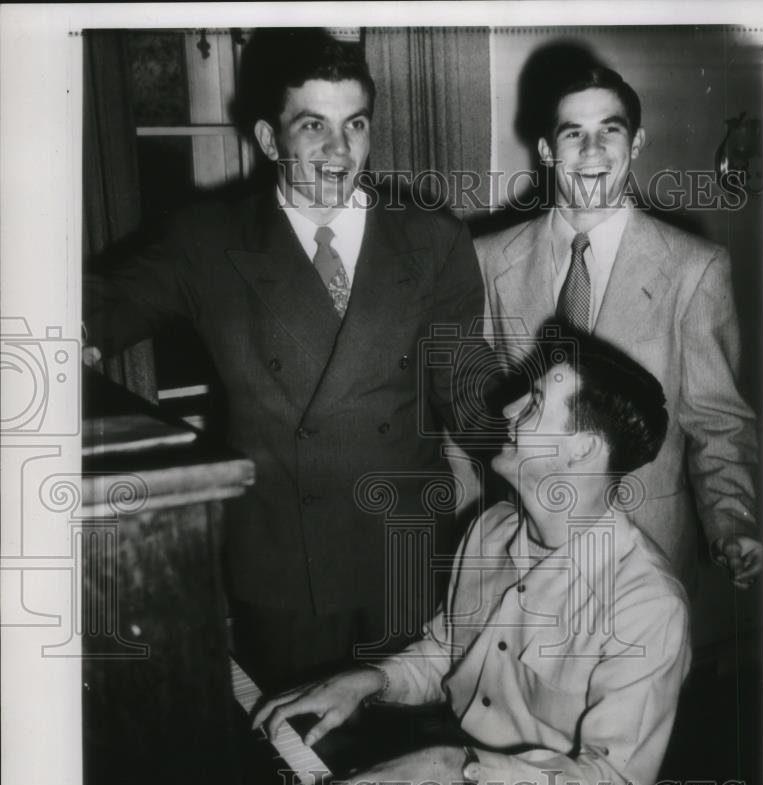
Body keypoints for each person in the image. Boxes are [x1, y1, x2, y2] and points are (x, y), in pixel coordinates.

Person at [83, 29, 485, 693]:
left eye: (355, 123)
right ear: (271, 140)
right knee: (297, 760)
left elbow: (465, 377)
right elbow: (104, 304)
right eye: (312, 126)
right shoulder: (207, 240)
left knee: (406, 754)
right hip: (282, 563)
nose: (338, 150)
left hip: (406, 552)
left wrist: (535, 429)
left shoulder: (430, 236)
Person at [255, 330, 691, 785]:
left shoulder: (647, 604)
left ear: (582, 449)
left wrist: (456, 770)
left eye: (533, 403)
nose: (507, 410)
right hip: (450, 758)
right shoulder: (491, 528)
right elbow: (447, 651)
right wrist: (372, 679)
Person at [474, 65, 762, 591]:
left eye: (610, 129)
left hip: (643, 552)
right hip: (521, 549)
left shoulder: (694, 268)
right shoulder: (488, 259)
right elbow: (469, 410)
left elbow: (717, 421)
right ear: (545, 151)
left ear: (637, 142)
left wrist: (731, 522)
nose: (592, 150)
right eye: (572, 133)